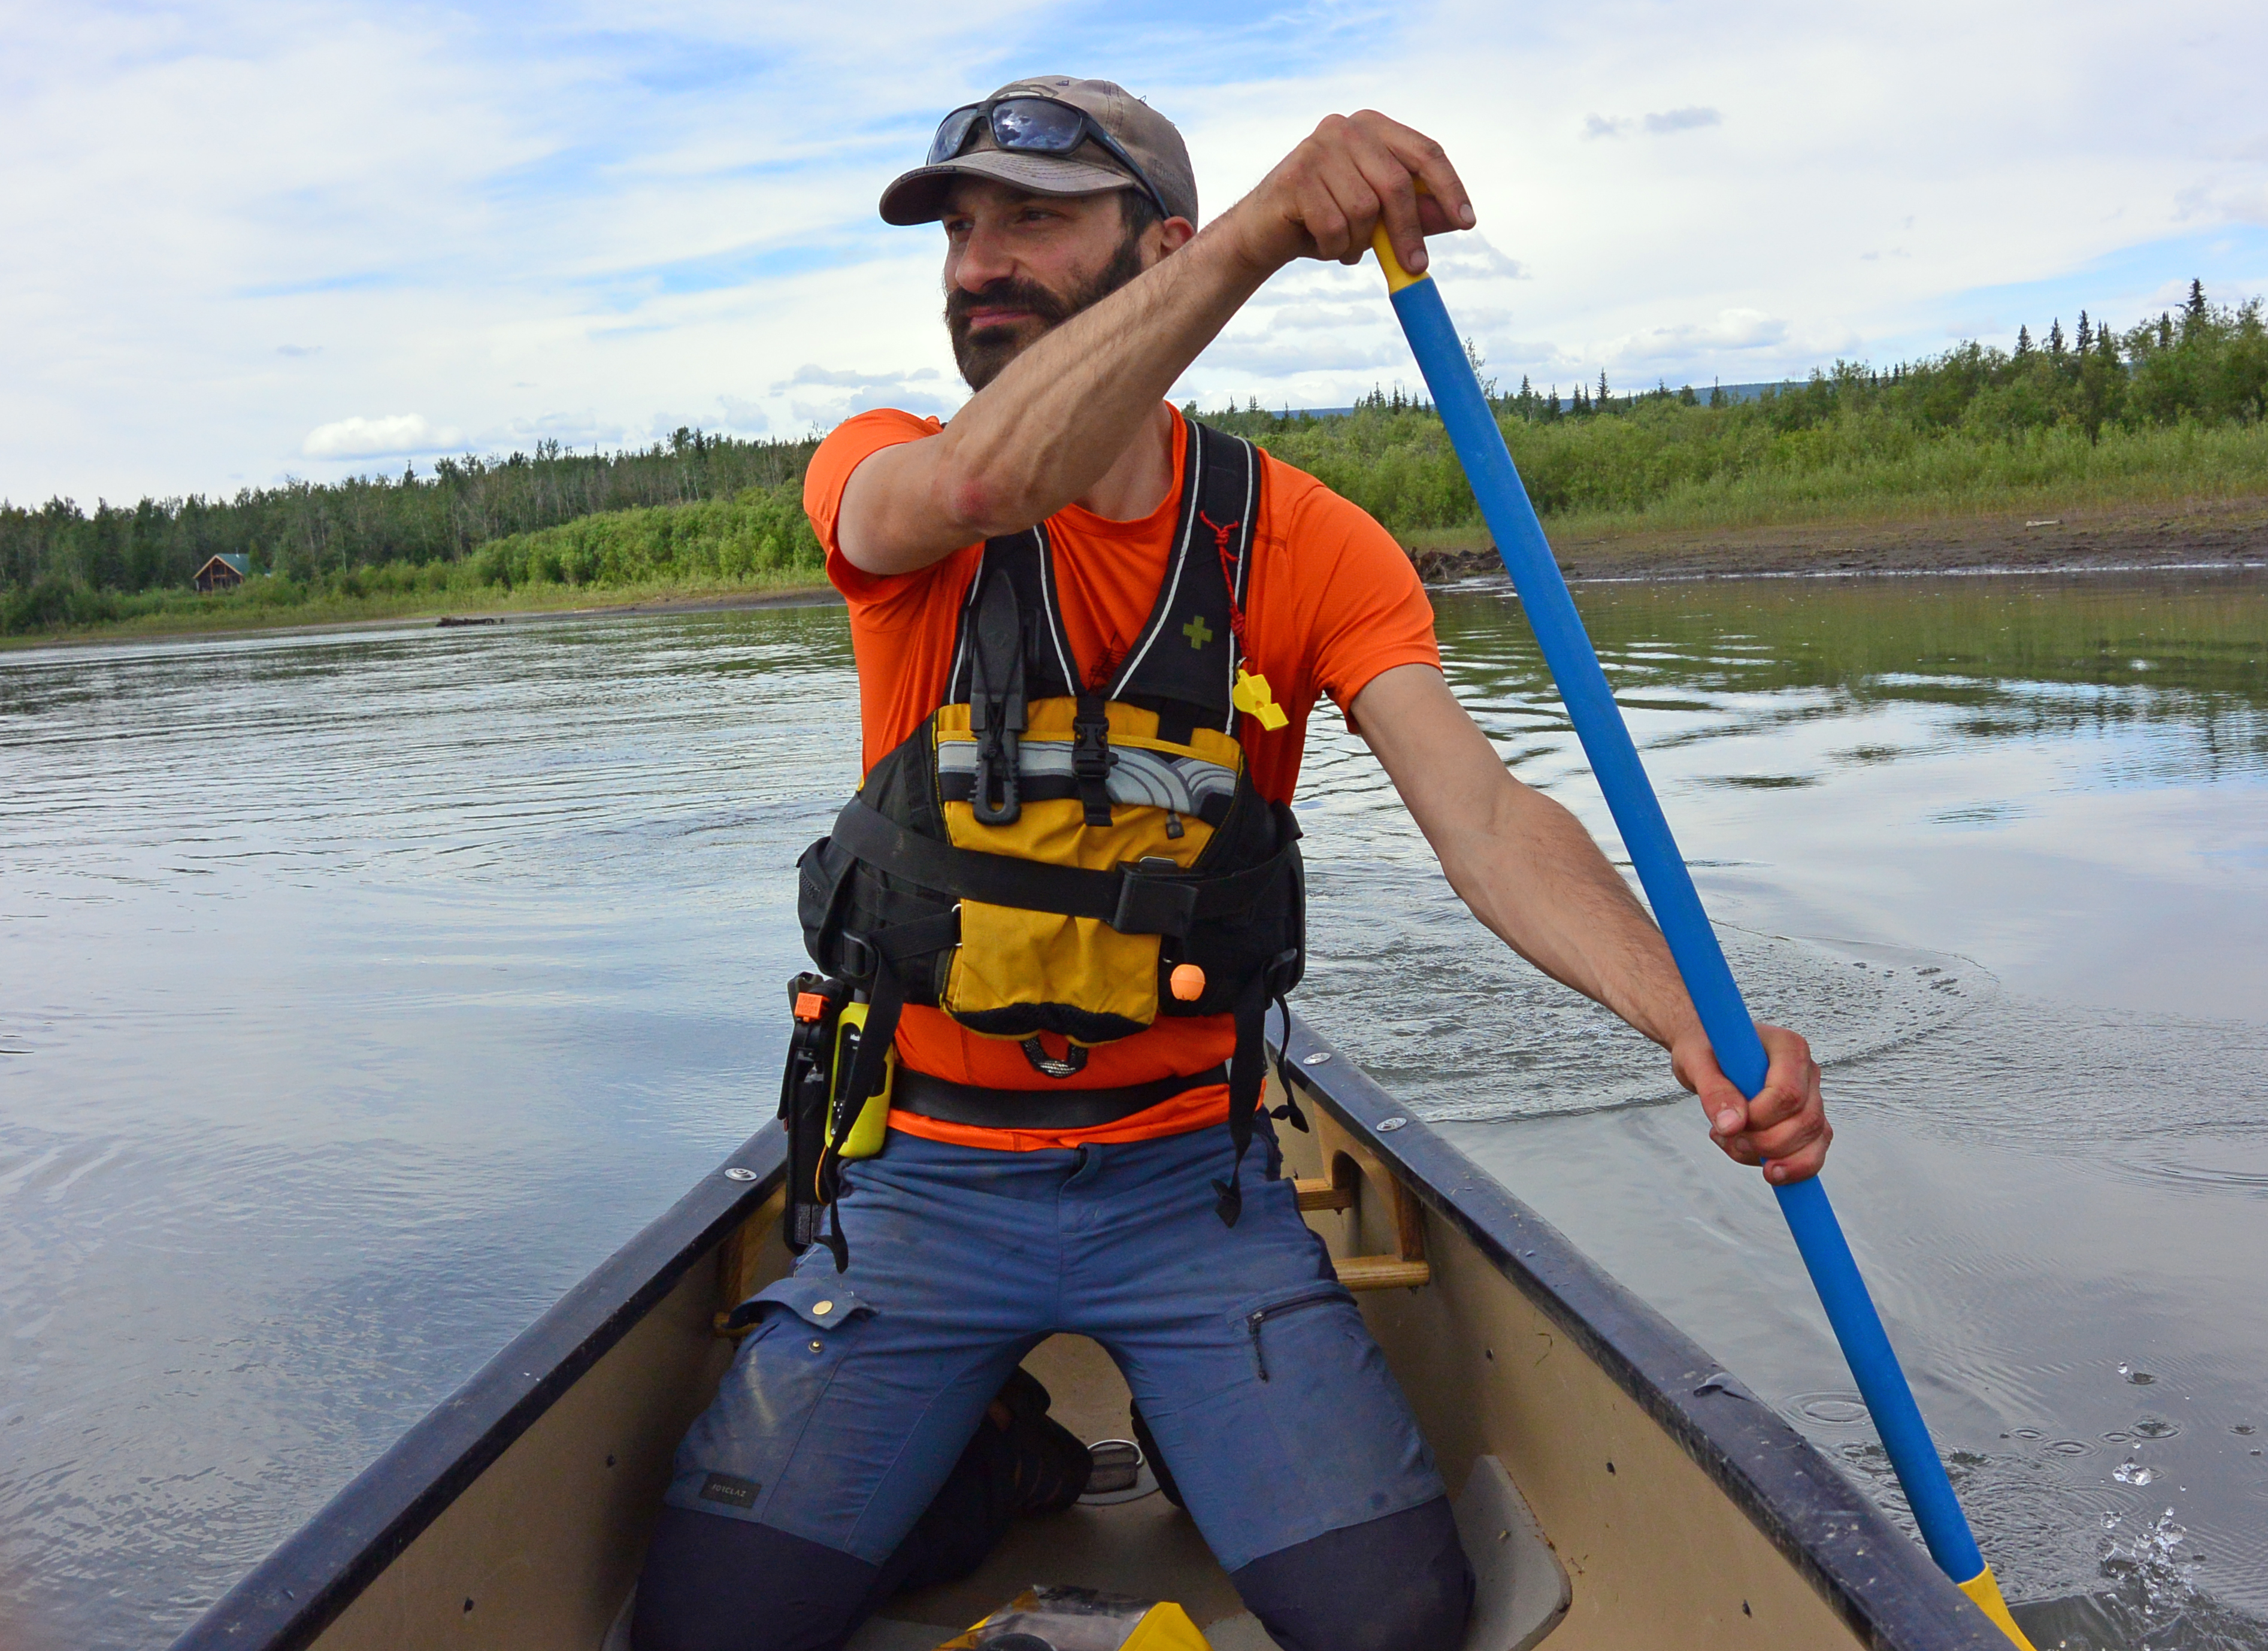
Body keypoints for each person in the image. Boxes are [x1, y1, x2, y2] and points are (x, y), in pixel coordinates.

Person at [634, 76, 1831, 1651]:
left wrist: (1690, 1021)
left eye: (1035, 220)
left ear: (1160, 246)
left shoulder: (1308, 542)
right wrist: (1275, 231)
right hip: (920, 1179)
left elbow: (1483, 818)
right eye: (960, 230)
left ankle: (1199, 1404)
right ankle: (1003, 1453)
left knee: (1395, 1623)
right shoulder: (885, 477)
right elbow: (993, 483)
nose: (978, 262)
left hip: (1185, 1182)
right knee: (708, 1633)